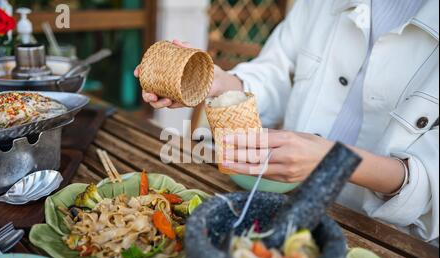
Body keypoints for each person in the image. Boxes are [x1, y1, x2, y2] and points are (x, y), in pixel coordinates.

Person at [135, 0, 439, 243]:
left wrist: (333, 161)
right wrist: (216, 82)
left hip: (387, 238)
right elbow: (276, 74)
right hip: (285, 201)